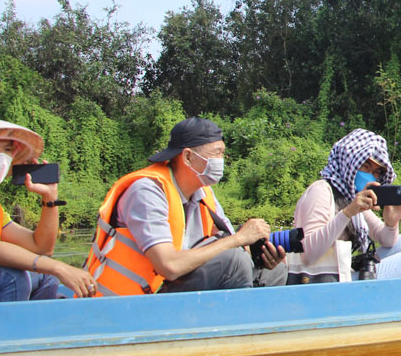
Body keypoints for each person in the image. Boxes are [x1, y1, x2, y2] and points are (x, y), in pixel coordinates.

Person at [85, 117, 287, 295]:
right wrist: (239, 239)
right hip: (138, 300)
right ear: (188, 157)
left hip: (175, 287)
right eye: (217, 153)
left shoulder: (203, 192)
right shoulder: (146, 192)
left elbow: (232, 245)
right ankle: (235, 330)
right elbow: (169, 266)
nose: (221, 161)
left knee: (273, 271)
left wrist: (260, 254)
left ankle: (258, 329)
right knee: (233, 261)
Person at [0, 112, 96, 304]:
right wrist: (58, 267)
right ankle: (6, 333)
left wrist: (49, 198)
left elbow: (40, 247)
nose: (0, 157)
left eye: (7, 150)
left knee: (44, 277)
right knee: (9, 275)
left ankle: (37, 332)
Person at [289, 128, 401, 282]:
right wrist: (347, 213)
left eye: (376, 172)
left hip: (341, 271)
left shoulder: (349, 196)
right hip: (321, 281)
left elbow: (387, 241)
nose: (370, 175)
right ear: (349, 162)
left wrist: (391, 223)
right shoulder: (321, 191)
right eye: (365, 167)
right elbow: (308, 255)